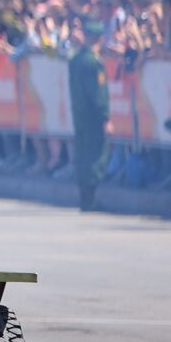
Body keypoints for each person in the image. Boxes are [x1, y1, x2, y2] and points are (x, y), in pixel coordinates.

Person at [69, 20, 112, 211]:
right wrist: (105, 117)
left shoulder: (75, 59)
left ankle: (84, 197)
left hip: (79, 113)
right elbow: (98, 93)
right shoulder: (94, 62)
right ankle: (90, 198)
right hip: (93, 115)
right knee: (95, 154)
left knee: (82, 152)